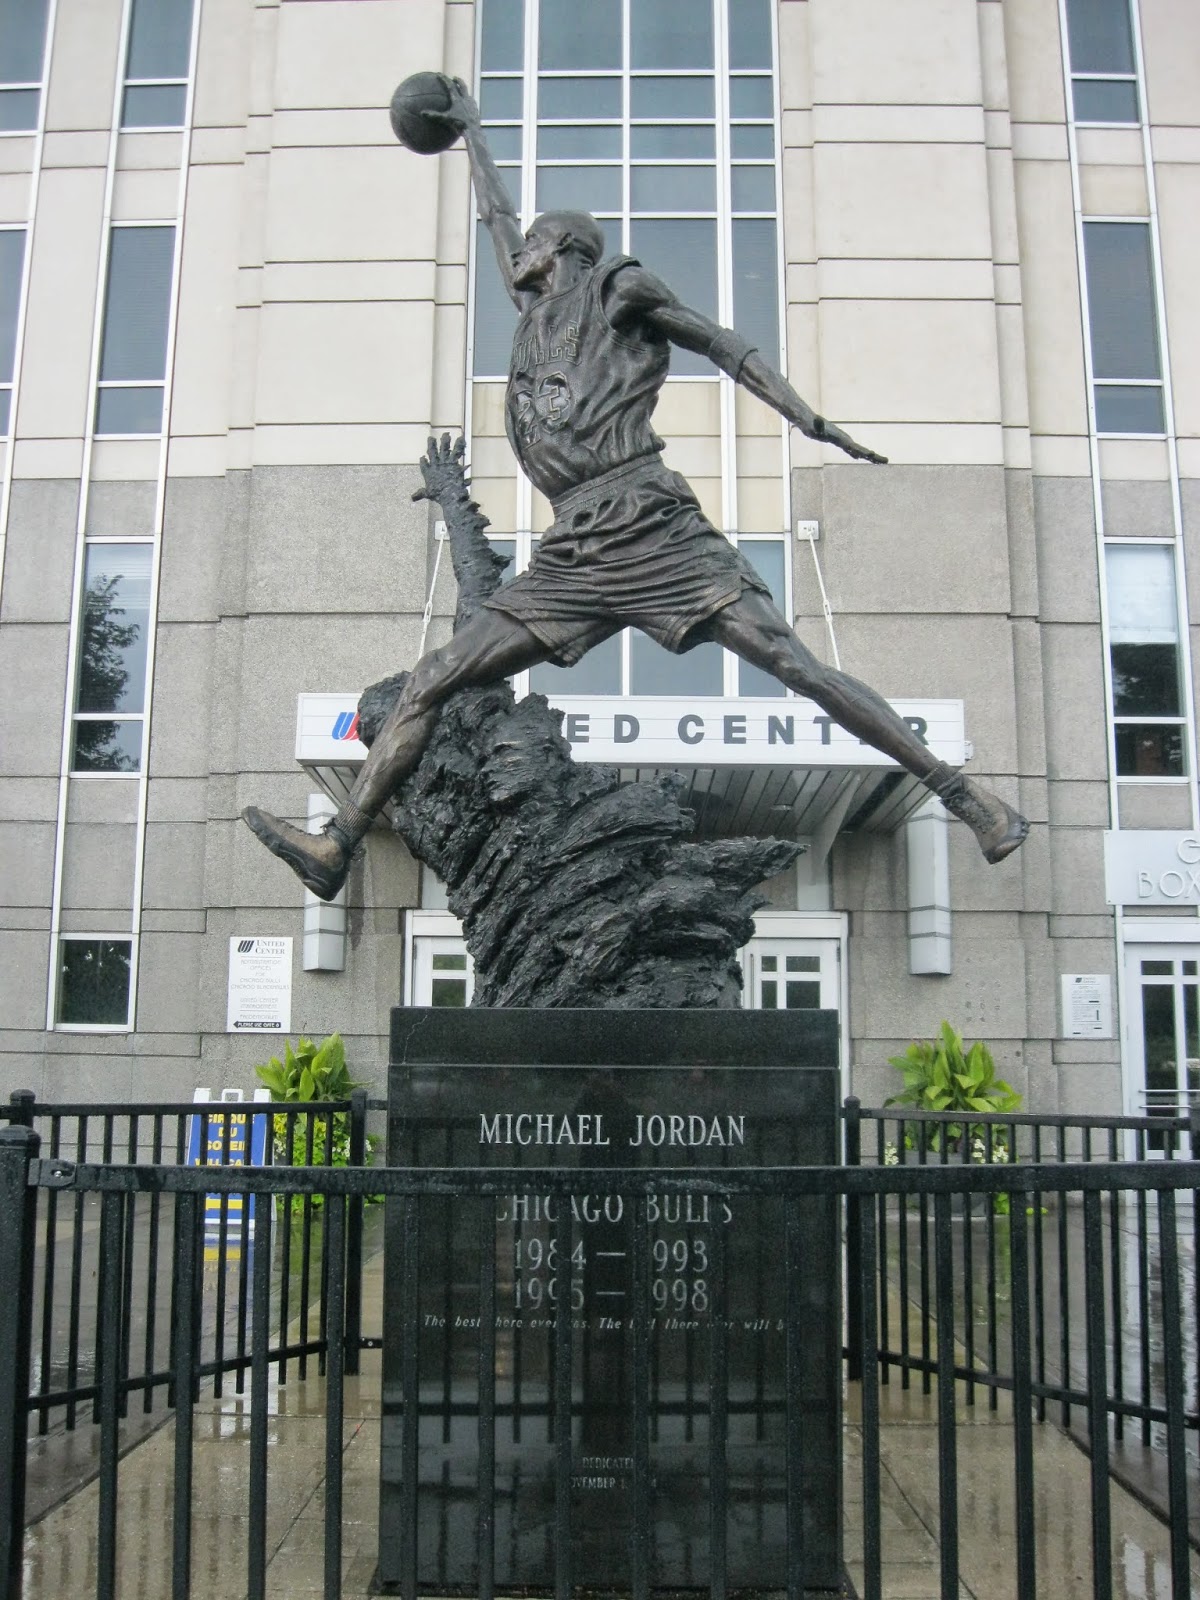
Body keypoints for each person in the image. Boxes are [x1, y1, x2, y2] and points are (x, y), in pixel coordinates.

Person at [244, 77, 1028, 901]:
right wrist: (472, 134)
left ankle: (966, 797)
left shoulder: (620, 287)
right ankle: (338, 846)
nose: (521, 252)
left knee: (796, 666)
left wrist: (809, 419)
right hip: (575, 547)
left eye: (537, 243)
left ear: (569, 250)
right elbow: (496, 219)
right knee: (435, 675)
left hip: (649, 522)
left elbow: (723, 342)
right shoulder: (533, 309)